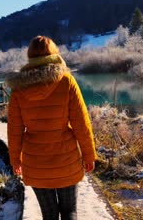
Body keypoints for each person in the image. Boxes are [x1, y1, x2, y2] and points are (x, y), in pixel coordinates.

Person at [5, 36, 97, 220]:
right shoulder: (66, 81)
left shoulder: (18, 89)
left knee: (49, 215)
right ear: (54, 53)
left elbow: (14, 129)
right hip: (67, 160)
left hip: (36, 163)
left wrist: (15, 160)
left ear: (30, 57)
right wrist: (89, 155)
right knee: (70, 211)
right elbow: (81, 122)